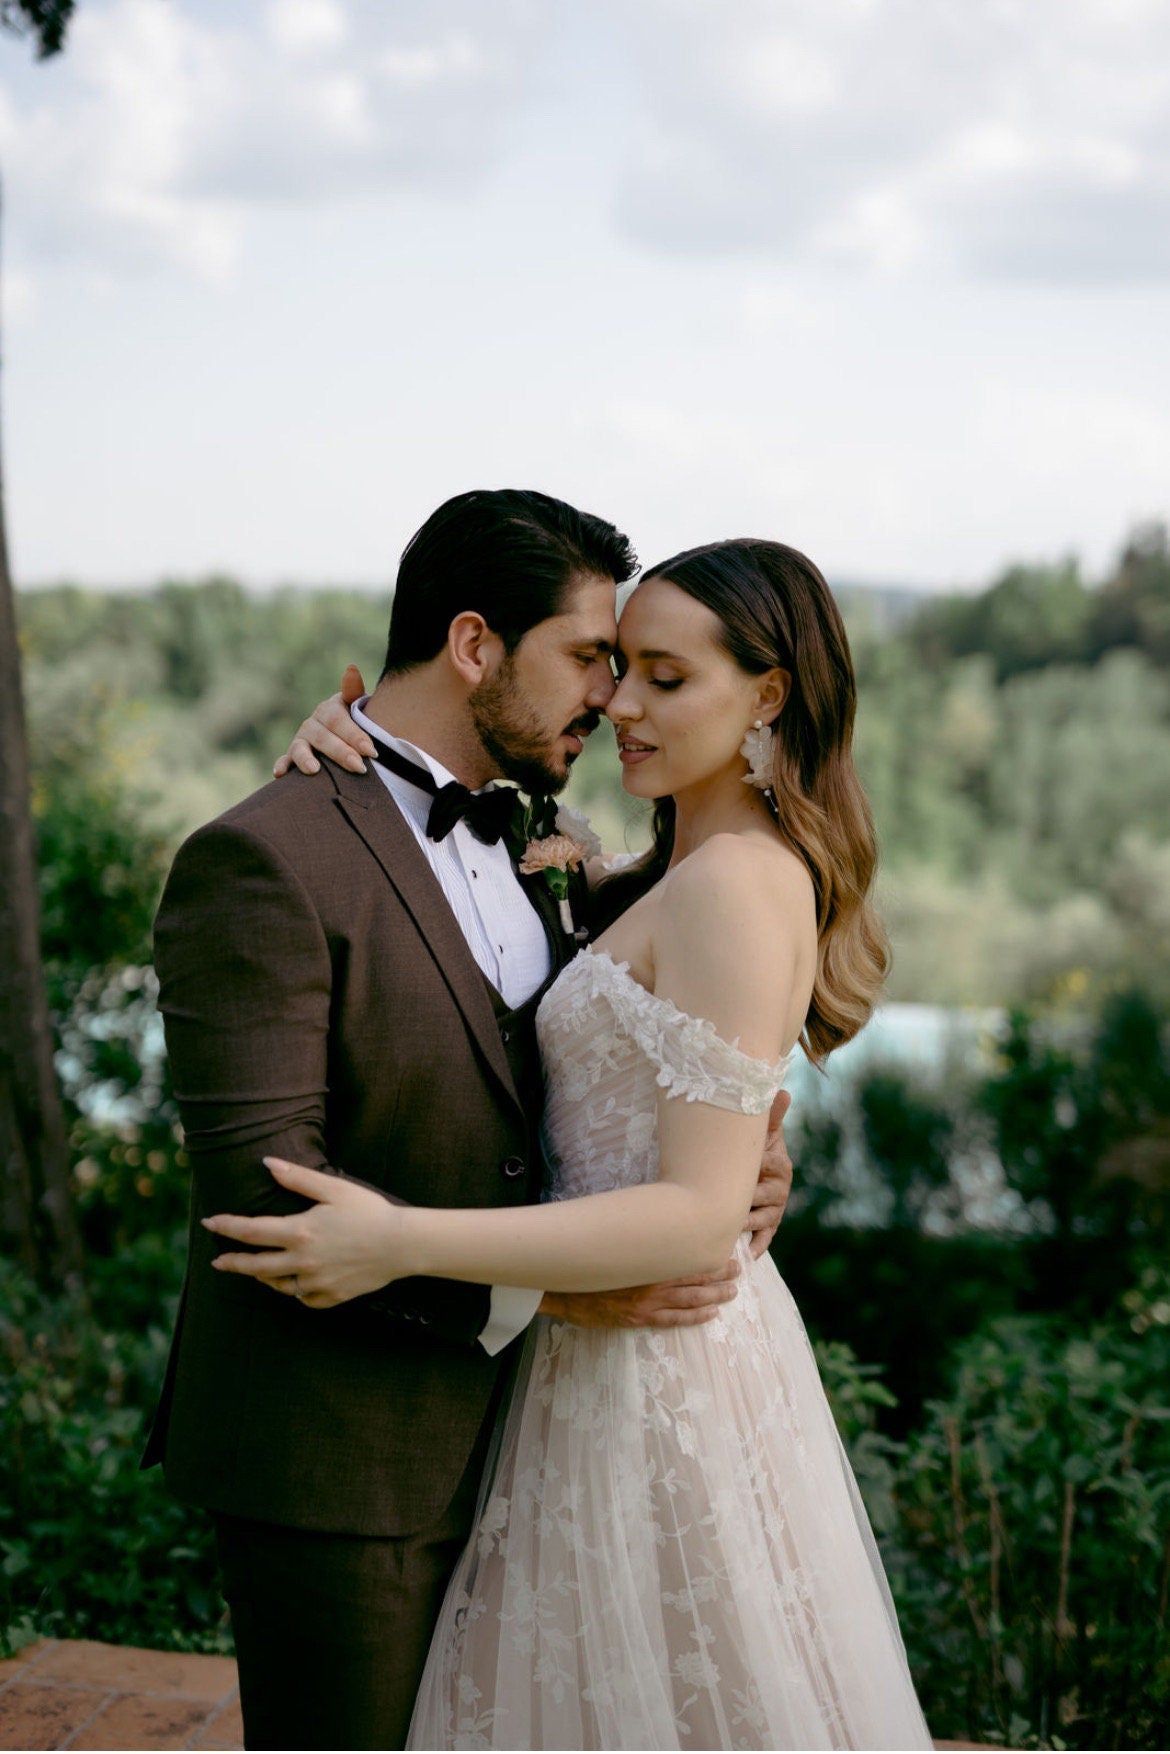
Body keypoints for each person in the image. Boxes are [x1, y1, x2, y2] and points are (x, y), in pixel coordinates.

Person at [207, 537, 933, 1750]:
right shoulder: (635, 869)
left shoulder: (734, 882)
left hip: (657, 1378)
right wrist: (339, 739)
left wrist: (400, 1238)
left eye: (664, 676)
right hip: (570, 1371)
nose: (620, 703)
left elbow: (698, 1212)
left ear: (767, 695)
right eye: (617, 666)